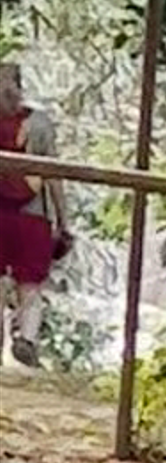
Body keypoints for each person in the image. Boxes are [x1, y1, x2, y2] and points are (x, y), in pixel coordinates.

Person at [0, 71, 70, 364]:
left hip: (10, 214)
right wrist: (63, 221)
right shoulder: (40, 124)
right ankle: (27, 338)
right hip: (33, 217)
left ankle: (19, 341)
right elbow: (52, 177)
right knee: (30, 285)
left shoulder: (38, 124)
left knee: (16, 283)